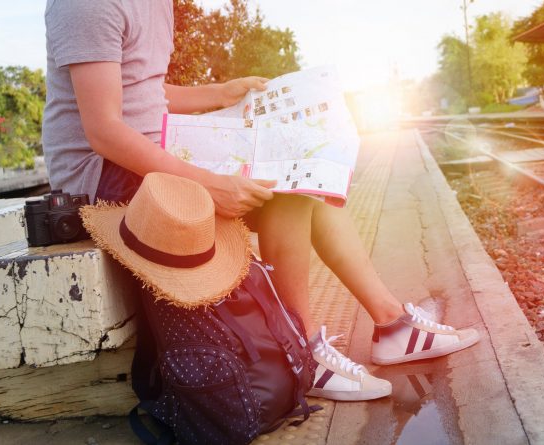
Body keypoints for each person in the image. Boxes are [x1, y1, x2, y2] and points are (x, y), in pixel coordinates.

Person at [44, 0, 478, 402]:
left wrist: (221, 92)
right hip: (103, 176)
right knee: (284, 191)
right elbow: (104, 131)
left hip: (156, 147)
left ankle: (391, 324)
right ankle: (301, 351)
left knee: (309, 172)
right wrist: (211, 183)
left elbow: (145, 91)